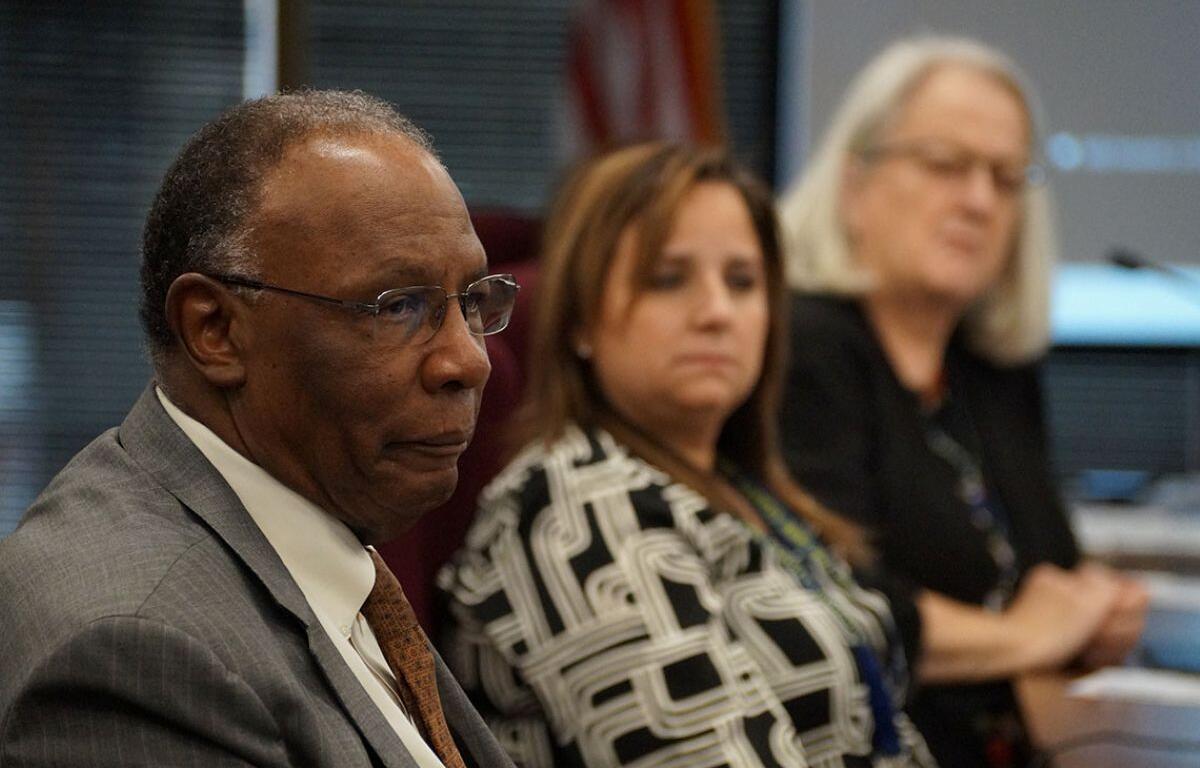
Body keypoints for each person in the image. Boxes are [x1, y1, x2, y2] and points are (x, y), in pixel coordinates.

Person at [0, 90, 519, 768]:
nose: (469, 361)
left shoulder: (301, 526)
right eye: (399, 306)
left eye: (472, 301)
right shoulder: (137, 651)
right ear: (215, 330)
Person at [440, 142, 935, 768]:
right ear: (581, 322)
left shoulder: (746, 490)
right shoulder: (579, 509)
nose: (718, 313)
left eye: (743, 281)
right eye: (668, 279)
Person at [777, 37, 1148, 767]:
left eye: (1007, 177)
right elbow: (822, 604)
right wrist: (1027, 636)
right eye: (946, 165)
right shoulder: (803, 345)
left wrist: (1093, 611)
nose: (979, 200)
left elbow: (1046, 572)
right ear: (856, 185)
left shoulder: (993, 367)